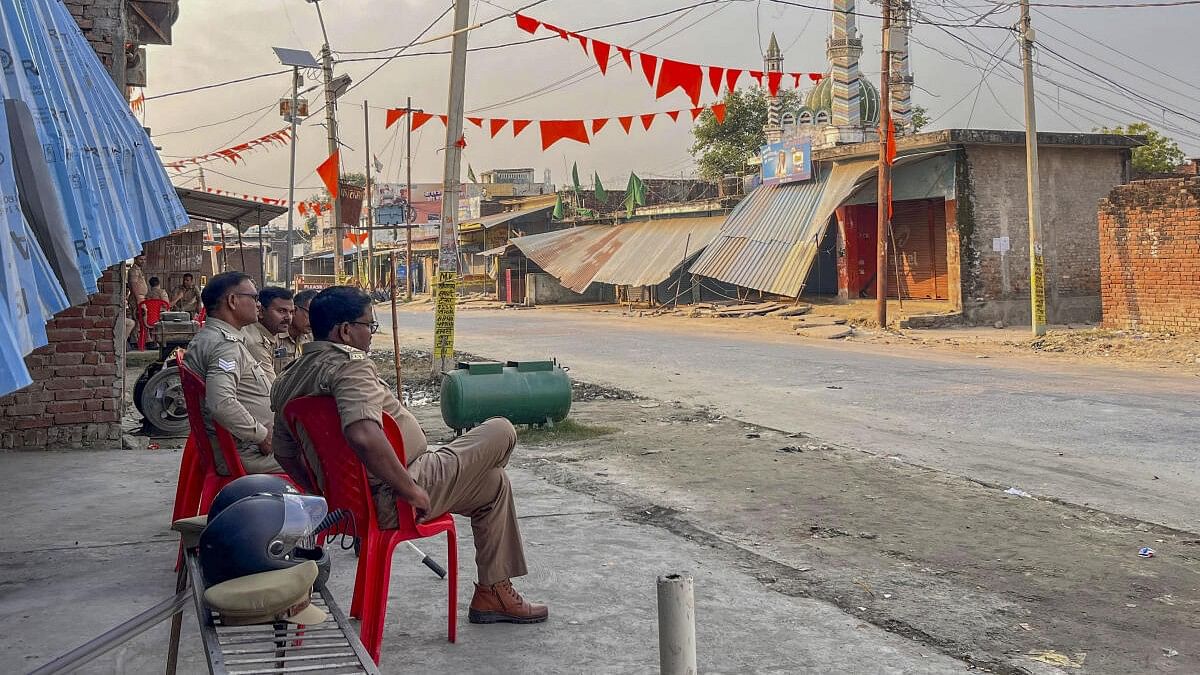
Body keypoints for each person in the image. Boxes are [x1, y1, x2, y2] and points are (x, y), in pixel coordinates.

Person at [270, 286, 547, 624]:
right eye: (368, 326)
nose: (371, 336)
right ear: (345, 331)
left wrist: (325, 492)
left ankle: (493, 593)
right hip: (396, 493)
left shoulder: (289, 378)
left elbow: (283, 451)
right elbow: (363, 433)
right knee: (501, 429)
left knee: (493, 484)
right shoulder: (349, 367)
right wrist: (409, 489)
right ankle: (494, 591)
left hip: (348, 506)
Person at [183, 271, 282, 474]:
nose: (259, 305)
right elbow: (221, 402)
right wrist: (263, 435)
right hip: (247, 453)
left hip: (243, 448)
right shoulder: (224, 345)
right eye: (254, 298)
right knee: (325, 462)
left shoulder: (213, 337)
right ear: (232, 300)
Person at [244, 286, 294, 385]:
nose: (288, 317)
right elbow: (273, 389)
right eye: (281, 311)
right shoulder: (255, 341)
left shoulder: (271, 334)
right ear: (261, 312)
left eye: (291, 312)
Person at [279, 289, 316, 367]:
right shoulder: (275, 334)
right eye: (310, 314)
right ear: (295, 310)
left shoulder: (312, 339)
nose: (314, 320)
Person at [125, 255, 148, 345]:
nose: (143, 261)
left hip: (141, 297)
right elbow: (133, 285)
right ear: (135, 259)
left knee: (141, 319)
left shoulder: (139, 270)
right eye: (141, 259)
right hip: (137, 298)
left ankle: (138, 340)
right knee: (139, 318)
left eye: (144, 259)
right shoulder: (133, 271)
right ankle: (134, 341)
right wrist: (138, 298)